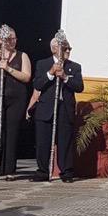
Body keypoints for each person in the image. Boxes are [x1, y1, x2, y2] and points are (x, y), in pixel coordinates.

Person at [0, 26, 32, 181]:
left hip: (16, 98)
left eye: (14, 38)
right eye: (9, 39)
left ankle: (9, 169)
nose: (12, 41)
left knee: (11, 132)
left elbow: (26, 76)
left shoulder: (22, 56)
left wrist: (8, 68)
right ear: (0, 39)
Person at [32, 34, 84, 182]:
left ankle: (66, 172)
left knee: (64, 142)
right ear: (54, 49)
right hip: (46, 108)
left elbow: (79, 87)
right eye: (65, 48)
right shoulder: (43, 64)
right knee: (43, 141)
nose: (68, 51)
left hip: (64, 108)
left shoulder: (74, 67)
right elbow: (37, 85)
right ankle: (43, 171)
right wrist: (50, 73)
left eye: (69, 48)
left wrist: (65, 77)